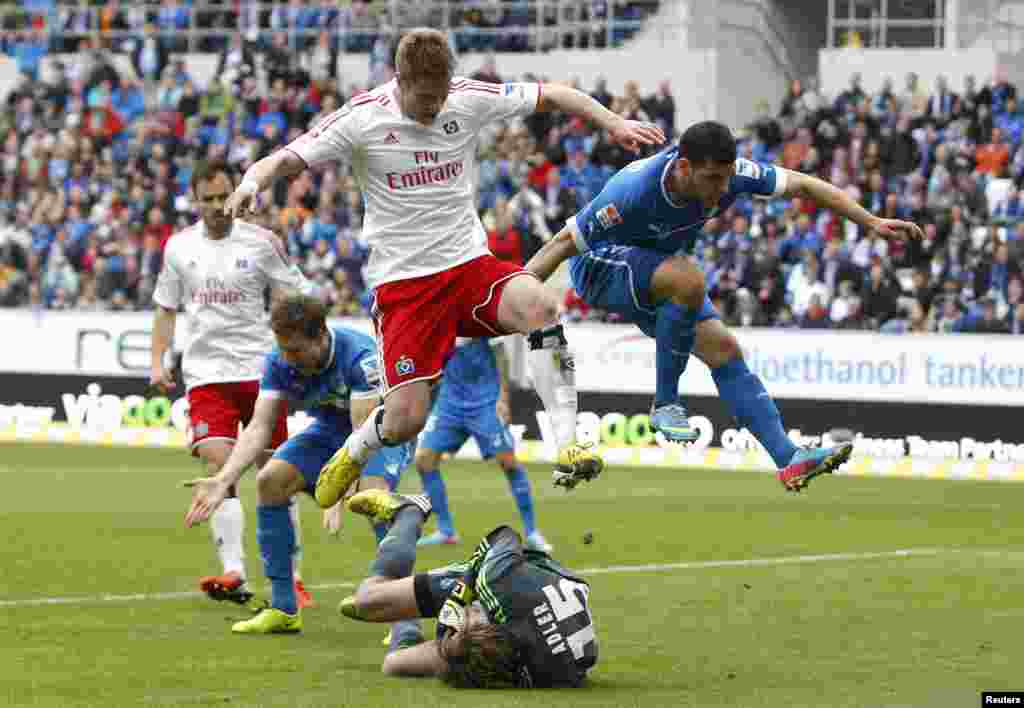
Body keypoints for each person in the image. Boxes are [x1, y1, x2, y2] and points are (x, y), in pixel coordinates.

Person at [224, 28, 665, 507]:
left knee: (539, 305)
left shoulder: (466, 98)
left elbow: (554, 94)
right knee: (405, 419)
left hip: (467, 265)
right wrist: (251, 182)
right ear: (400, 80)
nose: (434, 107)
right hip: (405, 285)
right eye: (424, 98)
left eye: (440, 95)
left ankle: (568, 443)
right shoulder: (362, 117)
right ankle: (353, 450)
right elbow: (289, 157)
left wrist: (612, 122)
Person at [525, 121, 923, 491]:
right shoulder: (632, 191)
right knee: (688, 279)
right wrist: (509, 296)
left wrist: (869, 221)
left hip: (654, 270)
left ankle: (789, 458)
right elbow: (560, 245)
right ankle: (665, 404)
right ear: (683, 167)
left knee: (725, 349)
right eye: (713, 179)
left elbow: (803, 184)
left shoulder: (732, 176)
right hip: (599, 264)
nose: (722, 190)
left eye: (727, 177)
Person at [182, 291, 413, 634]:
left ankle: (403, 619)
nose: (288, 358)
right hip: (328, 431)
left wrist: (341, 488)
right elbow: (259, 427)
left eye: (295, 350)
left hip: (381, 430)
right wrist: (224, 478)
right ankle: (284, 608)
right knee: (269, 481)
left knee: (370, 494)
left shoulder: (359, 356)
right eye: (283, 349)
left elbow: (361, 433)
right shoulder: (278, 362)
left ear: (320, 336)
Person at [150, 160, 315, 607]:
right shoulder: (178, 248)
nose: (218, 206)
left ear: (237, 194)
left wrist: (295, 347)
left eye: (224, 196)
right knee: (218, 465)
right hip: (206, 376)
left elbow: (295, 293)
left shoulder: (263, 243)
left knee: (275, 474)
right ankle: (234, 572)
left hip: (262, 373)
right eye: (208, 198)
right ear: (195, 200)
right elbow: (165, 308)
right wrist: (157, 360)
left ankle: (293, 577)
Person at [338, 489, 598, 687]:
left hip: (517, 633)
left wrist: (449, 639)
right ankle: (409, 511)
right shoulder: (496, 581)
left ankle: (405, 621)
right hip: (519, 574)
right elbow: (504, 535)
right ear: (489, 616)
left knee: (394, 664)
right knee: (367, 601)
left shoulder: (540, 672)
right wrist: (458, 599)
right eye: (469, 619)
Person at [415, 337, 551, 551]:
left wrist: (503, 397)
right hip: (450, 403)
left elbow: (501, 355)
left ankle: (532, 532)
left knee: (508, 463)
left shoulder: (478, 314)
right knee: (424, 460)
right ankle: (446, 531)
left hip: (486, 402)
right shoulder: (439, 317)